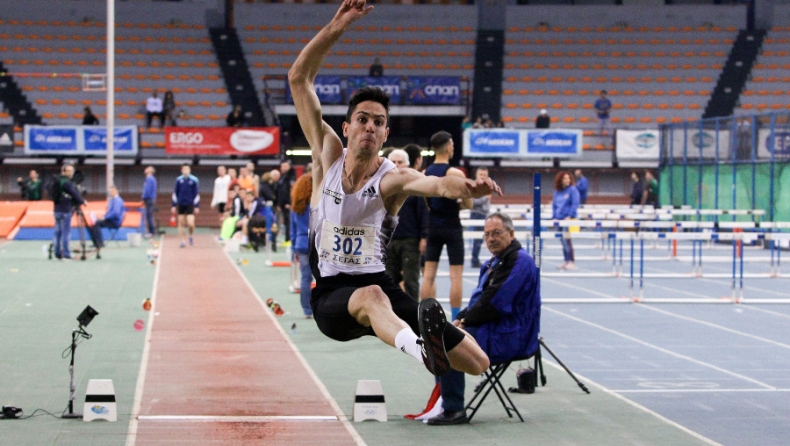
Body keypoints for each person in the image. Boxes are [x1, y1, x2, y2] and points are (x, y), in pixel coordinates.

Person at [288, 0, 498, 379]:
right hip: (332, 298)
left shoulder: (391, 178)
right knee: (370, 297)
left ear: (386, 133)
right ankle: (422, 353)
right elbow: (299, 78)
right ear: (347, 126)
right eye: (362, 119)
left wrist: (464, 185)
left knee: (477, 362)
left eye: (378, 122)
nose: (370, 126)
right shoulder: (326, 157)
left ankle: (429, 348)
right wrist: (338, 25)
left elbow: (434, 183)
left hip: (380, 287)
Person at [422, 212, 540, 425]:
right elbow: (481, 301)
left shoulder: (521, 261)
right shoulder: (492, 263)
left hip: (510, 334)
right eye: (486, 235)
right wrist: (460, 319)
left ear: (511, 234)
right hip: (494, 328)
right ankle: (442, 402)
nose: (490, 239)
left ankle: (454, 408)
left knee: (450, 342)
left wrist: (463, 322)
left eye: (496, 233)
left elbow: (496, 302)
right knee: (438, 337)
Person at [420, 130, 471, 321]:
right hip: (452, 226)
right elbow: (468, 203)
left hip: (433, 226)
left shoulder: (425, 173)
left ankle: (423, 316)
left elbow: (426, 203)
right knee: (456, 276)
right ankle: (456, 318)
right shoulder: (454, 173)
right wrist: (459, 203)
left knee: (428, 276)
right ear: (449, 147)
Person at [385, 148, 428, 300]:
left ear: (407, 164)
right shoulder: (382, 185)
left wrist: (424, 237)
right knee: (389, 280)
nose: (397, 165)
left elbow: (423, 213)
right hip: (388, 241)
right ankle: (394, 314)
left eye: (400, 162)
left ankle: (413, 315)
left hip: (410, 240)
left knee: (411, 280)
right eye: (393, 162)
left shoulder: (414, 186)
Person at [291, 173, 314, 318]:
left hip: (301, 244)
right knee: (324, 278)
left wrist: (293, 248)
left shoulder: (296, 207)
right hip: (317, 243)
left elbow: (292, 230)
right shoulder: (318, 205)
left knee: (306, 278)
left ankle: (307, 310)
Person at [52, 164, 86, 260]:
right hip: (65, 210)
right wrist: (82, 201)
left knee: (57, 232)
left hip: (57, 209)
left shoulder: (56, 181)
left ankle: (57, 252)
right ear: (63, 171)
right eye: (69, 171)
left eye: (72, 171)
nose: (71, 173)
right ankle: (66, 253)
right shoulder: (66, 182)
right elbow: (74, 193)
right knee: (66, 233)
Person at [553, 171, 579, 270]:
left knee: (566, 240)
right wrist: (554, 216)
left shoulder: (573, 190)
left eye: (568, 178)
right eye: (565, 178)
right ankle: (566, 261)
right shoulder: (557, 191)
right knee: (562, 241)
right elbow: (554, 205)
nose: (567, 180)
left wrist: (570, 215)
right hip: (559, 219)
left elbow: (575, 203)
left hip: (568, 219)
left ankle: (571, 261)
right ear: (560, 180)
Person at [171, 164, 199, 248]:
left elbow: (197, 194)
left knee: (190, 223)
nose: (185, 170)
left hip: (190, 204)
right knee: (181, 222)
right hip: (181, 204)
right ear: (182, 170)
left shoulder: (194, 180)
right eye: (184, 169)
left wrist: (197, 206)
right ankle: (183, 241)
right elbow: (175, 193)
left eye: (187, 169)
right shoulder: (178, 180)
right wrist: (173, 205)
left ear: (189, 170)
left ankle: (191, 235)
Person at [469, 167, 491, 269]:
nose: (482, 177)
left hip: (484, 214)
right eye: (481, 174)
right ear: (476, 175)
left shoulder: (487, 186)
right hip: (476, 214)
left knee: (480, 239)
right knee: (477, 239)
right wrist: (485, 197)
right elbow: (472, 203)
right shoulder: (473, 186)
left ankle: (475, 259)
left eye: (484, 175)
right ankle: (474, 260)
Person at [276, 160, 295, 243]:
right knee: (285, 222)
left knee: (289, 221)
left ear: (289, 166)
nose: (282, 168)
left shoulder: (292, 177)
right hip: (282, 204)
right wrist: (279, 203)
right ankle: (286, 239)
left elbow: (292, 190)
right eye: (282, 166)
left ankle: (289, 239)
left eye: (284, 166)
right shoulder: (282, 177)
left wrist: (290, 202)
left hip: (288, 204)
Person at [141, 166, 157, 238]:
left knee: (149, 216)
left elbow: (147, 190)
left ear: (150, 171)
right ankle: (151, 231)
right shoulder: (151, 179)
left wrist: (143, 198)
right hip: (150, 198)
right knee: (149, 215)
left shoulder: (149, 179)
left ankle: (152, 232)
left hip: (149, 199)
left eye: (147, 168)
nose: (145, 169)